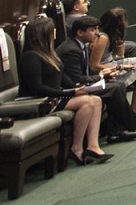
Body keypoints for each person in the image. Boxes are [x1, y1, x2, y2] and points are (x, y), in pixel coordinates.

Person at [15, 16, 111, 165]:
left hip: (55, 97)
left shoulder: (49, 54)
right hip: (41, 102)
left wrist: (78, 88)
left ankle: (93, 146)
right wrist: (70, 93)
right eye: (51, 30)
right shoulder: (30, 57)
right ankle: (76, 149)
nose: (54, 32)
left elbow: (62, 76)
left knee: (96, 100)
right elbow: (37, 88)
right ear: (43, 34)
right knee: (87, 102)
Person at [57, 15, 136, 142]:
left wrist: (110, 70)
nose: (97, 33)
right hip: (72, 90)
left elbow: (88, 70)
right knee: (114, 88)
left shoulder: (80, 45)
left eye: (97, 29)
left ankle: (116, 130)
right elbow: (77, 79)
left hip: (81, 84)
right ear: (80, 32)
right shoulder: (71, 50)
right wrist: (100, 76)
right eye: (93, 30)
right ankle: (131, 127)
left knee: (119, 85)